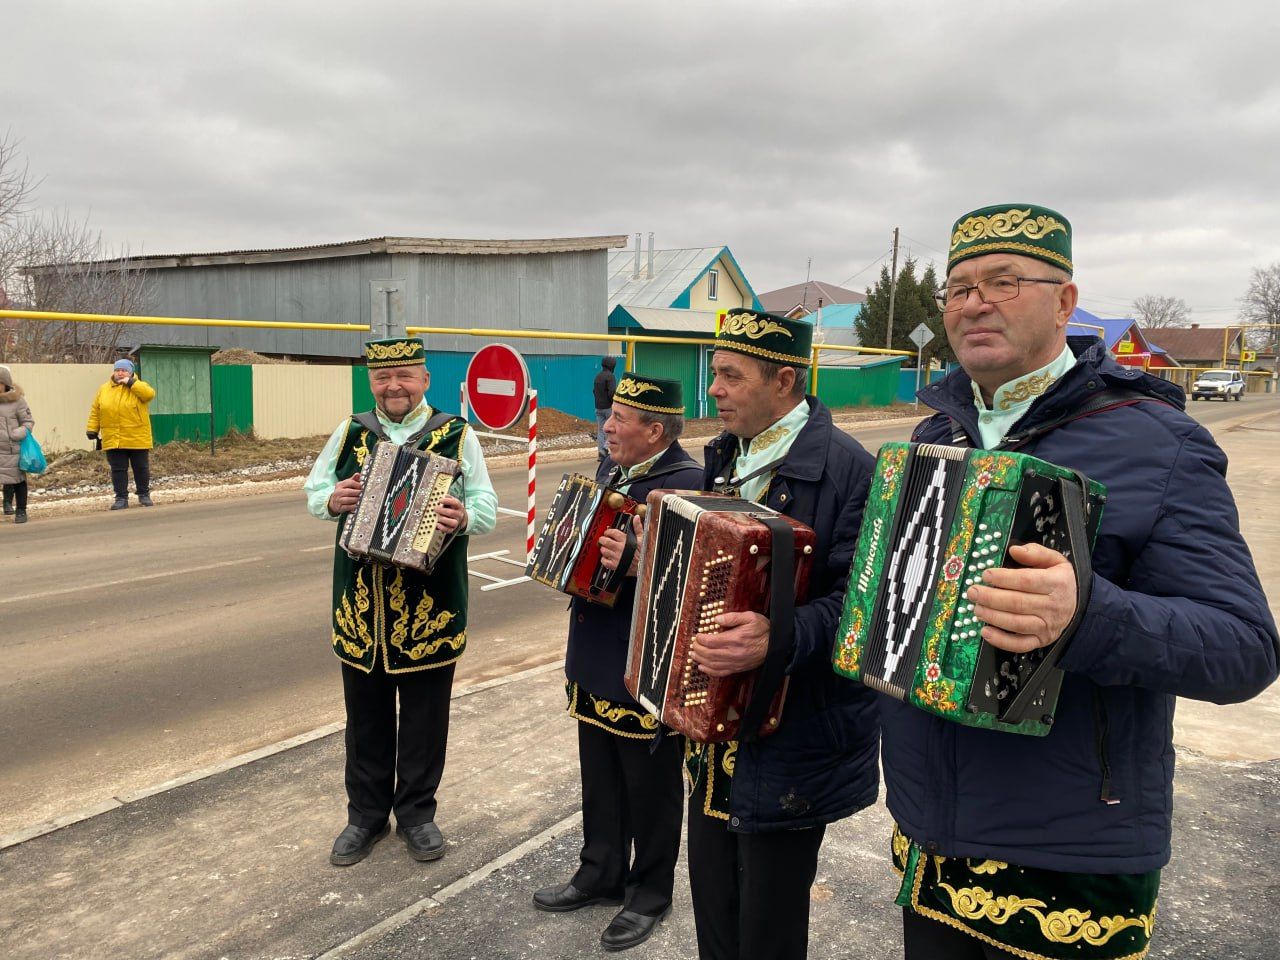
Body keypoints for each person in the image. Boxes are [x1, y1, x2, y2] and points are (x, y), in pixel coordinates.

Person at [881, 203, 1280, 960]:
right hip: (928, 830)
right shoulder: (939, 431)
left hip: (1067, 858)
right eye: (959, 289)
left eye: (1004, 283)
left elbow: (1244, 650)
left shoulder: (1158, 442)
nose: (975, 304)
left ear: (1065, 301)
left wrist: (1086, 614)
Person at [686, 309, 879, 960]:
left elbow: (864, 607)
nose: (713, 390)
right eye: (716, 374)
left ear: (785, 381)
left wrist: (781, 636)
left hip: (791, 746)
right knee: (715, 915)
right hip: (711, 737)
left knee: (766, 933)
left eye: (730, 376)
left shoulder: (852, 471)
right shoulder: (725, 458)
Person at [304, 337, 498, 868]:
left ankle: (417, 814)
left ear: (426, 379)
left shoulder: (457, 435)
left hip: (429, 607)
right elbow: (315, 489)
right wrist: (331, 500)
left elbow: (486, 503)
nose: (394, 387)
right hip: (361, 607)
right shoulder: (350, 431)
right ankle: (365, 817)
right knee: (363, 719)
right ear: (371, 381)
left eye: (405, 376)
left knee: (424, 718)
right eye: (382, 378)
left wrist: (463, 518)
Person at [532, 373, 703, 952]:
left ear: (656, 430)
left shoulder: (688, 486)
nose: (607, 427)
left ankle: (649, 893)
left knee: (650, 787)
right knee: (600, 776)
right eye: (610, 417)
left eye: (620, 419)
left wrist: (639, 560)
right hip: (593, 650)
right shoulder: (611, 473)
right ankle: (600, 872)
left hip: (643, 663)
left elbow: (698, 584)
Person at [86, 358, 156, 510]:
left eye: (124, 370)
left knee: (141, 468)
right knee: (118, 469)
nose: (120, 373)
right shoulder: (104, 389)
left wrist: (131, 383)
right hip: (113, 437)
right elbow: (96, 410)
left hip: (137, 435)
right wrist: (92, 428)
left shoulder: (139, 386)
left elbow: (149, 395)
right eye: (118, 370)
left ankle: (144, 495)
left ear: (131, 372)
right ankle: (121, 498)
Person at [0, 364, 35, 524]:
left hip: (12, 449)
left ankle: (21, 510)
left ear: (5, 383)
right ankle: (6, 503)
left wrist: (16, 434)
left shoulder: (17, 401)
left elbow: (28, 422)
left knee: (18, 480)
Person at [593, 356, 618, 462]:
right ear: (612, 365)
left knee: (601, 430)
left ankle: (601, 453)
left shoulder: (597, 377)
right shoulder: (610, 377)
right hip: (608, 407)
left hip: (598, 407)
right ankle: (606, 448)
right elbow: (612, 392)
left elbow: (594, 391)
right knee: (613, 430)